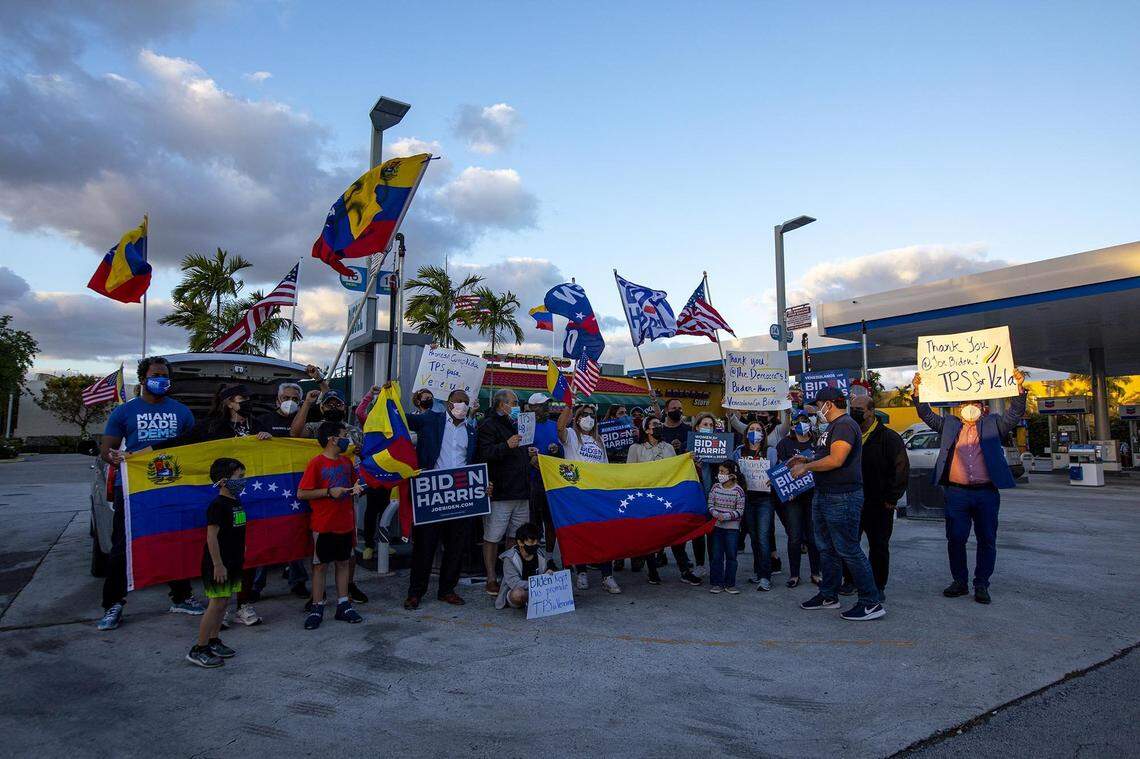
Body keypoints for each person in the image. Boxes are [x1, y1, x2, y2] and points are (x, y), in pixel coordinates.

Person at [148, 382, 273, 627]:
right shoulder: (210, 427)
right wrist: (137, 454)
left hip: (250, 497)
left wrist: (269, 438)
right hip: (221, 500)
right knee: (223, 551)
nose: (247, 402)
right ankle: (221, 607)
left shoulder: (257, 425)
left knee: (247, 551)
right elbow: (177, 443)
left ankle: (244, 604)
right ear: (228, 401)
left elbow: (276, 453)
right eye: (242, 398)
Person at [97, 356, 201, 631]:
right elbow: (106, 450)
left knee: (176, 540)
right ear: (143, 379)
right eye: (156, 375)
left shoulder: (181, 412)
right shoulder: (124, 412)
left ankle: (181, 596)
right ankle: (114, 604)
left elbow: (193, 446)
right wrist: (117, 459)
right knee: (123, 546)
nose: (162, 380)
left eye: (165, 376)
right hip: (134, 489)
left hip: (171, 486)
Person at [913, 369, 1027, 605]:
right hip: (957, 493)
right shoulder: (949, 426)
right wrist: (917, 391)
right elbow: (926, 413)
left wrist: (1019, 388)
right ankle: (959, 582)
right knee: (956, 538)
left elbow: (1015, 413)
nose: (969, 407)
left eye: (974, 403)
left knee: (987, 539)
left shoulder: (994, 425)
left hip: (986, 493)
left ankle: (982, 584)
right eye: (965, 403)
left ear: (983, 407)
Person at [790, 387, 885, 621]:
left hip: (841, 496)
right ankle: (828, 595)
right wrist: (809, 459)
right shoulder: (833, 427)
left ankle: (870, 601)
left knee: (848, 549)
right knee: (827, 548)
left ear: (829, 404)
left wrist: (806, 467)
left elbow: (837, 459)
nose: (815, 409)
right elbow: (828, 456)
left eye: (818, 404)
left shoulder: (843, 425)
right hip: (826, 493)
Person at [401, 387, 479, 610]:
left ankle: (447, 590)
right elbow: (404, 420)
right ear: (448, 404)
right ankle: (415, 592)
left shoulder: (471, 431)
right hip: (432, 495)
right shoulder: (431, 420)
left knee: (455, 548)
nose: (462, 405)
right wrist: (388, 398)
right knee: (425, 546)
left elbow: (472, 461)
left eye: (465, 401)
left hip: (460, 497)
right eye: (458, 401)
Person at [296, 388, 367, 605]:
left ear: (345, 407)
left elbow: (363, 454)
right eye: (329, 404)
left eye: (338, 404)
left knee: (348, 550)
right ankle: (318, 596)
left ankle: (348, 587)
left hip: (347, 498)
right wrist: (307, 404)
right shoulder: (315, 428)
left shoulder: (354, 431)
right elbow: (295, 434)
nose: (334, 407)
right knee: (320, 554)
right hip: (319, 494)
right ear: (322, 406)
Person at [840, 395, 909, 600]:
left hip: (879, 503)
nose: (855, 412)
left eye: (859, 408)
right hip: (851, 500)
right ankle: (850, 580)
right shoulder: (848, 435)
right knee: (849, 543)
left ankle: (878, 586)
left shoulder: (889, 438)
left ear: (871, 411)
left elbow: (901, 469)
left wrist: (892, 498)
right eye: (852, 408)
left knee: (878, 546)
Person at [187, 457, 247, 668]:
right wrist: (217, 564)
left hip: (233, 561)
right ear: (223, 481)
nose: (243, 481)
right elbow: (211, 537)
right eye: (239, 477)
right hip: (219, 564)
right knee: (215, 604)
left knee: (223, 603)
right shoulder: (218, 506)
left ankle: (214, 640)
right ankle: (199, 648)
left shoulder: (236, 502)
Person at [558, 403, 621, 594]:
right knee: (580, 533)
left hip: (597, 493)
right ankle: (581, 571)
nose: (588, 418)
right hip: (576, 492)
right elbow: (559, 428)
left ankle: (607, 575)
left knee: (603, 534)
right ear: (577, 418)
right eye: (584, 414)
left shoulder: (599, 440)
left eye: (592, 415)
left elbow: (605, 467)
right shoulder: (570, 435)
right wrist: (568, 407)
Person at [476, 389, 533, 596]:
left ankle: (509, 575)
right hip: (500, 492)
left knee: (514, 537)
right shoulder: (488, 425)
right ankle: (491, 578)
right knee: (492, 537)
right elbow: (483, 453)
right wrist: (506, 445)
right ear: (502, 404)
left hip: (521, 491)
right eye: (514, 402)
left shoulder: (518, 424)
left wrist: (528, 453)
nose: (517, 405)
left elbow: (520, 450)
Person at [624, 417, 673, 585]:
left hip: (663, 495)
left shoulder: (669, 448)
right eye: (654, 425)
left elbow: (675, 469)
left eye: (660, 424)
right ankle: (651, 568)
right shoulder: (635, 449)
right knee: (648, 532)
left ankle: (677, 564)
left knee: (664, 530)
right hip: (644, 496)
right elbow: (630, 473)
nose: (658, 427)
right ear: (646, 430)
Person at [775, 414, 821, 587]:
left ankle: (816, 572)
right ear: (792, 426)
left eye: (805, 422)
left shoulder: (817, 443)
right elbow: (778, 469)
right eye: (798, 422)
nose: (802, 425)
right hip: (793, 497)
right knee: (794, 537)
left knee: (813, 537)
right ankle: (794, 575)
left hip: (813, 496)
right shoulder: (785, 444)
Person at [732, 420, 776, 590]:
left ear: (763, 435)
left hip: (765, 499)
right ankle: (759, 572)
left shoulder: (770, 451)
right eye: (752, 429)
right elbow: (732, 470)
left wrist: (772, 478)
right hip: (747, 499)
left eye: (759, 429)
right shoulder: (739, 451)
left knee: (764, 537)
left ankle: (766, 576)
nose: (755, 432)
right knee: (755, 538)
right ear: (746, 433)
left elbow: (776, 470)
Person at [525, 392, 563, 571]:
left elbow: (563, 451)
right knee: (532, 523)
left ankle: (549, 558)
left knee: (550, 522)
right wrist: (527, 457)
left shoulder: (554, 426)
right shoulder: (523, 426)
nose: (546, 408)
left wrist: (556, 449)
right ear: (532, 408)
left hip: (550, 480)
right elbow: (517, 450)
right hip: (531, 481)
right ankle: (531, 558)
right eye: (541, 405)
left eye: (547, 405)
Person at [706, 460, 745, 594]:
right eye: (719, 471)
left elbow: (740, 510)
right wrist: (717, 514)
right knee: (716, 556)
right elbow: (710, 504)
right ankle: (717, 583)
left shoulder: (738, 491)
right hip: (717, 527)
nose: (720, 474)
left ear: (731, 474)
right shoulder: (715, 487)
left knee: (731, 556)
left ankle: (730, 583)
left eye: (723, 472)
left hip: (732, 529)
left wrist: (726, 516)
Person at [495, 523, 552, 610]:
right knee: (518, 595)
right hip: (517, 590)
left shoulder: (539, 553)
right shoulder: (510, 558)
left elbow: (543, 573)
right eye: (532, 541)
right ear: (520, 542)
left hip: (536, 589)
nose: (535, 544)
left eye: (537, 541)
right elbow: (514, 583)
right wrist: (539, 584)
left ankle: (535, 601)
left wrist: (547, 574)